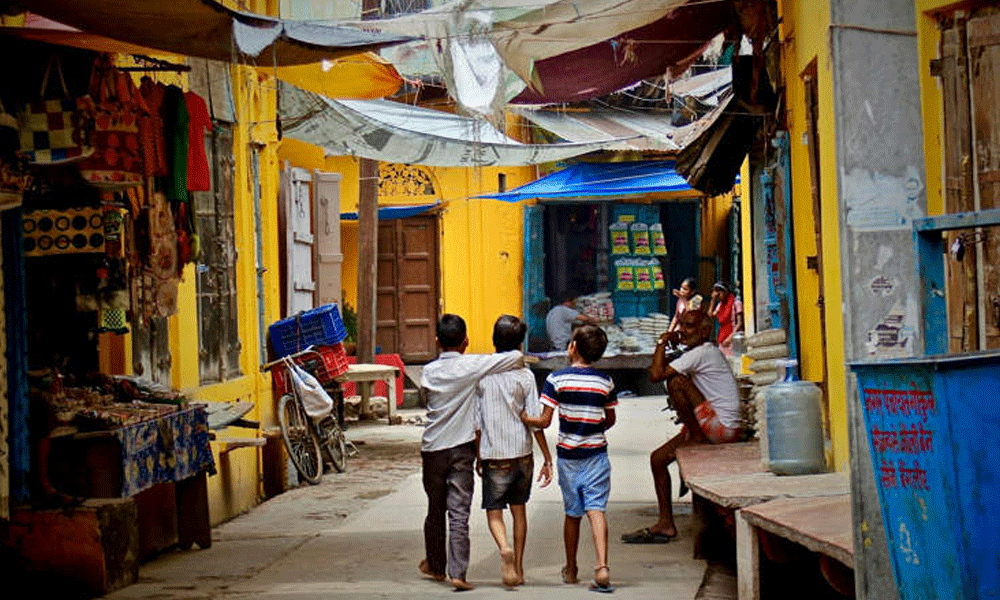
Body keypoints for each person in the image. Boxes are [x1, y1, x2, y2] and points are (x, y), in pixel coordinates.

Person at [419, 314, 524, 591]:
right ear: (466, 342)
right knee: (459, 512)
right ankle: (458, 573)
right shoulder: (472, 366)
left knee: (435, 509)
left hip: (432, 449)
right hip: (462, 450)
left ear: (437, 341)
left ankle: (435, 564)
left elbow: (425, 396)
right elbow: (515, 358)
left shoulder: (428, 372)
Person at [622, 309, 743, 544]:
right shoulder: (699, 352)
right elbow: (659, 365)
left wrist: (662, 341)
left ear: (705, 331)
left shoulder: (703, 353)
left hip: (720, 428)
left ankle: (695, 435)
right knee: (658, 459)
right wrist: (665, 348)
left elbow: (657, 374)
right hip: (715, 424)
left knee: (676, 381)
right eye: (682, 326)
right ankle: (665, 523)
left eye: (688, 327)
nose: (682, 332)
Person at [520, 325, 617, 592]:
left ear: (572, 347)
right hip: (597, 454)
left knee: (572, 513)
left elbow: (544, 420)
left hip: (568, 457)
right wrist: (591, 428)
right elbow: (610, 419)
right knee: (596, 510)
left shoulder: (556, 379)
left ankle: (571, 568)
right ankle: (602, 567)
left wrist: (525, 418)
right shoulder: (605, 382)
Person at [474, 315, 554, 587]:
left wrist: (478, 455)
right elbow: (534, 419)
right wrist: (546, 456)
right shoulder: (525, 376)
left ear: (494, 341)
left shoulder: (482, 377)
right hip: (522, 453)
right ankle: (518, 567)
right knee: (519, 511)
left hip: (494, 453)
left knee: (494, 511)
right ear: (520, 344)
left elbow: (477, 423)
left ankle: (504, 548)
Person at [708, 282, 744, 354]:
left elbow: (739, 323)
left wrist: (730, 338)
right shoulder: (720, 305)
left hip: (733, 337)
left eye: (720, 292)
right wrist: (713, 300)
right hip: (723, 336)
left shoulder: (736, 303)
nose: (718, 295)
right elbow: (710, 315)